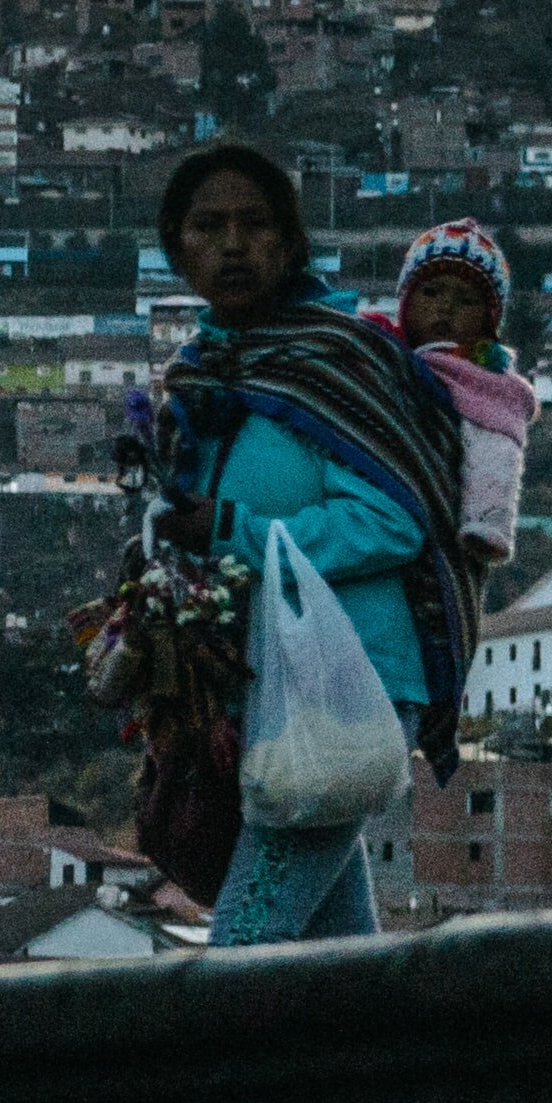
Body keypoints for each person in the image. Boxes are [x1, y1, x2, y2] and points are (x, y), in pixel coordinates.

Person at [144, 146, 477, 946]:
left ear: (290, 244)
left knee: (247, 944)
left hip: (346, 685)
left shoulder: (344, 361)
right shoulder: (201, 382)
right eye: (208, 226)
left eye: (254, 225)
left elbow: (395, 521)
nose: (232, 245)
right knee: (333, 956)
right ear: (178, 249)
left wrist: (233, 530)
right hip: (265, 693)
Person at [380, 219, 538, 576]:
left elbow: (496, 461)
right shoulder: (379, 354)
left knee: (493, 445)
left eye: (465, 300)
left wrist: (487, 526)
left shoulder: (487, 385)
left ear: (489, 320)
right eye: (431, 293)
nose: (445, 308)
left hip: (434, 538)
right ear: (406, 301)